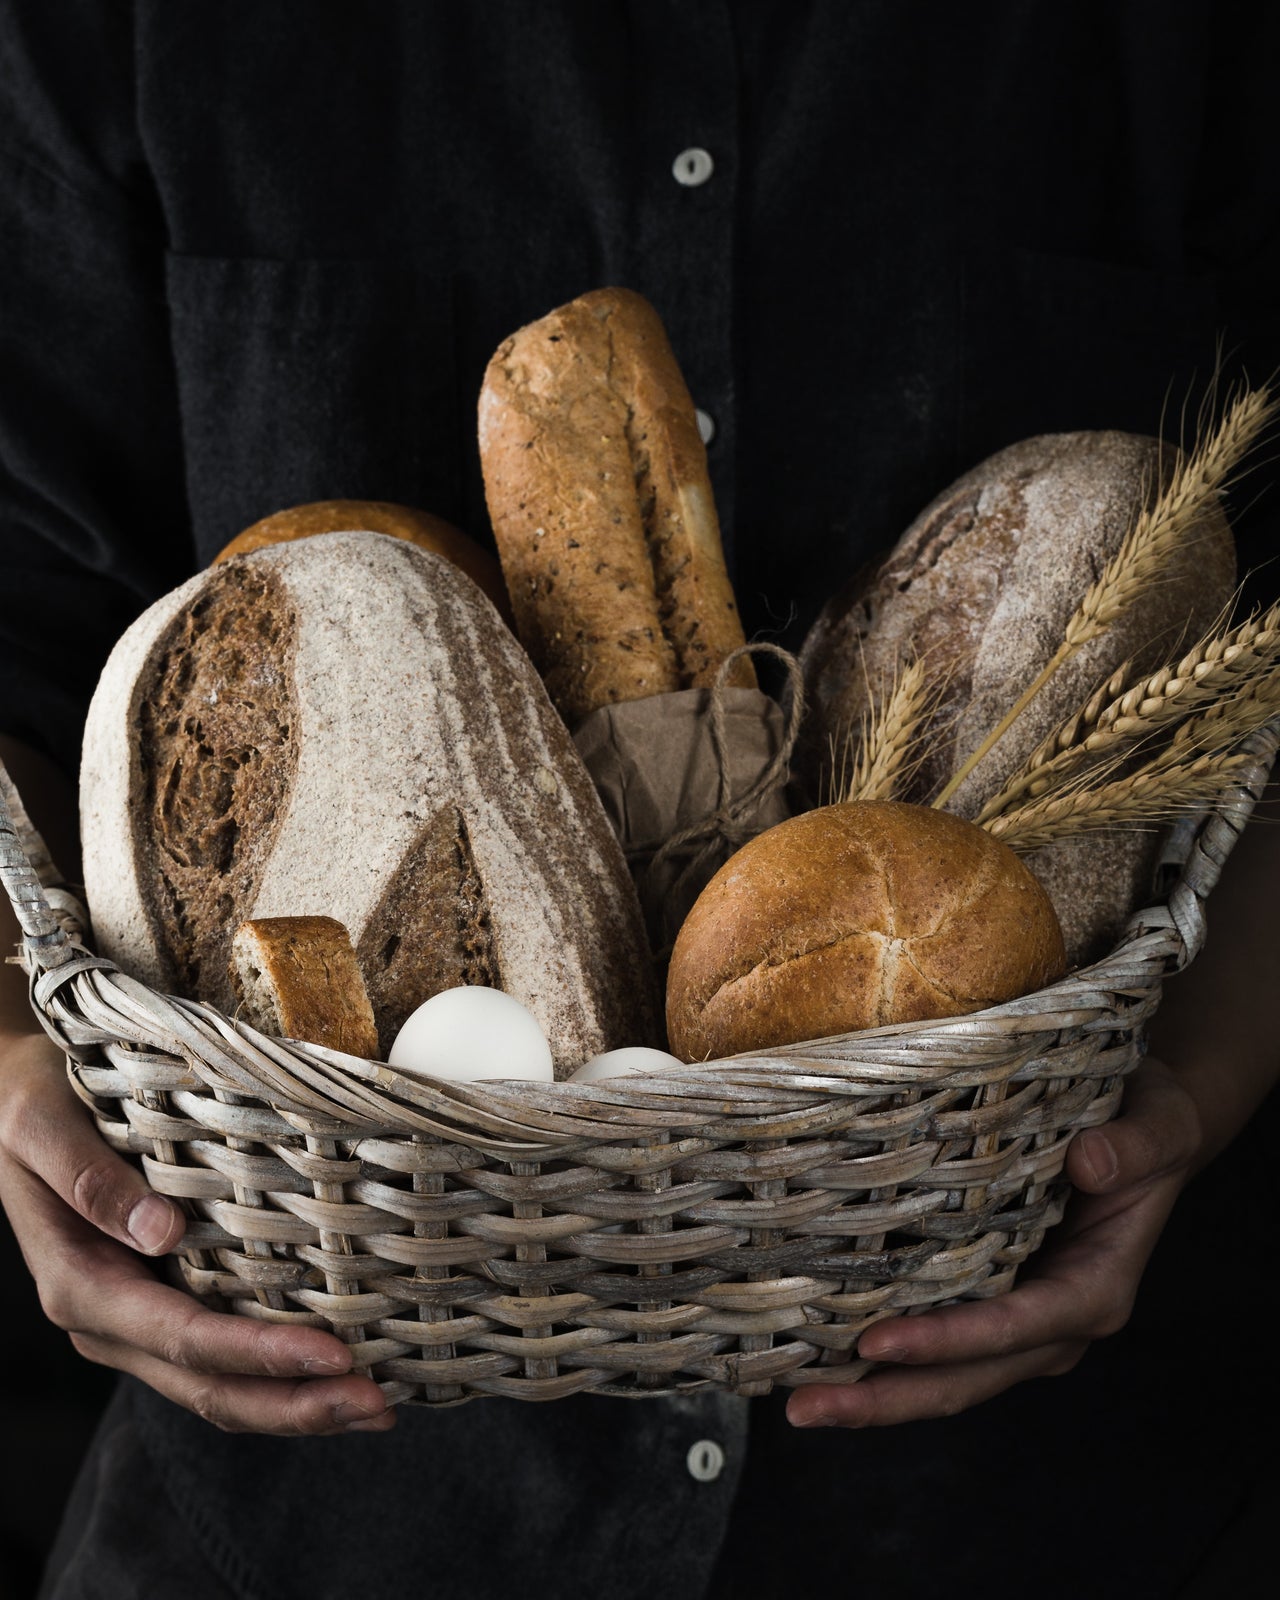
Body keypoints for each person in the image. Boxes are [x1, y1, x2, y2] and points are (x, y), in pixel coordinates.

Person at [1, 5, 1277, 1597]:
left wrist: (1202, 1085)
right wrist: (9, 1074)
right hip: (305, 1507)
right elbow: (24, 639)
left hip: (1035, 1501)